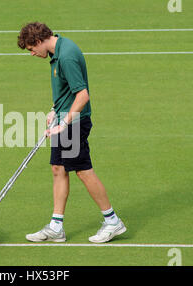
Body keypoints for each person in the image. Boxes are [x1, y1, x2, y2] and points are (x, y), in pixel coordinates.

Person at [17, 22, 126, 243]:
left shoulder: (66, 56)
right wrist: (54, 110)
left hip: (74, 123)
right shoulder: (57, 51)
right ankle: (56, 227)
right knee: (58, 168)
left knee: (83, 171)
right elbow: (67, 90)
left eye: (31, 49)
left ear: (38, 41)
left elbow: (83, 95)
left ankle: (113, 221)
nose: (32, 53)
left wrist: (64, 123)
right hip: (64, 118)